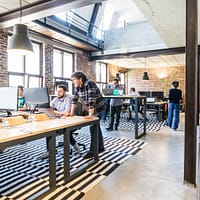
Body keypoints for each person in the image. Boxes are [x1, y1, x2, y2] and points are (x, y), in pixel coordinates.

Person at [69, 71, 105, 159]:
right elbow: (74, 100)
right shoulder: (78, 87)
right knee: (96, 128)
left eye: (74, 80)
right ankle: (100, 147)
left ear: (80, 79)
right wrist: (71, 113)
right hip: (92, 108)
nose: (73, 82)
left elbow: (91, 100)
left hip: (98, 107)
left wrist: (90, 114)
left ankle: (92, 151)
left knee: (93, 127)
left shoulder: (90, 84)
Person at [40, 85, 80, 159]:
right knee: (48, 128)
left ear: (64, 92)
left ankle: (51, 151)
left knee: (63, 131)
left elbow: (67, 113)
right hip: (59, 120)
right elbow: (49, 108)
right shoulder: (55, 99)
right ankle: (51, 151)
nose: (58, 93)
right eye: (57, 91)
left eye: (60, 91)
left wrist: (54, 112)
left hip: (71, 121)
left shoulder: (68, 99)